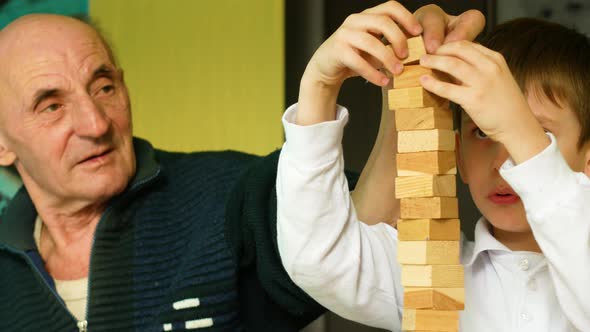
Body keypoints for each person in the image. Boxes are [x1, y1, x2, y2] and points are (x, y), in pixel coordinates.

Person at [0, 4, 483, 332]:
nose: (95, 122)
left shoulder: (228, 192)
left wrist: (409, 88)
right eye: (51, 106)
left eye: (103, 86)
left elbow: (362, 230)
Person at [277, 1, 590, 331]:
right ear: (459, 156)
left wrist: (524, 140)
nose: (501, 162)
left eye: (534, 131)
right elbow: (318, 260)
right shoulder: (427, 267)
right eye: (482, 132)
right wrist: (320, 86)